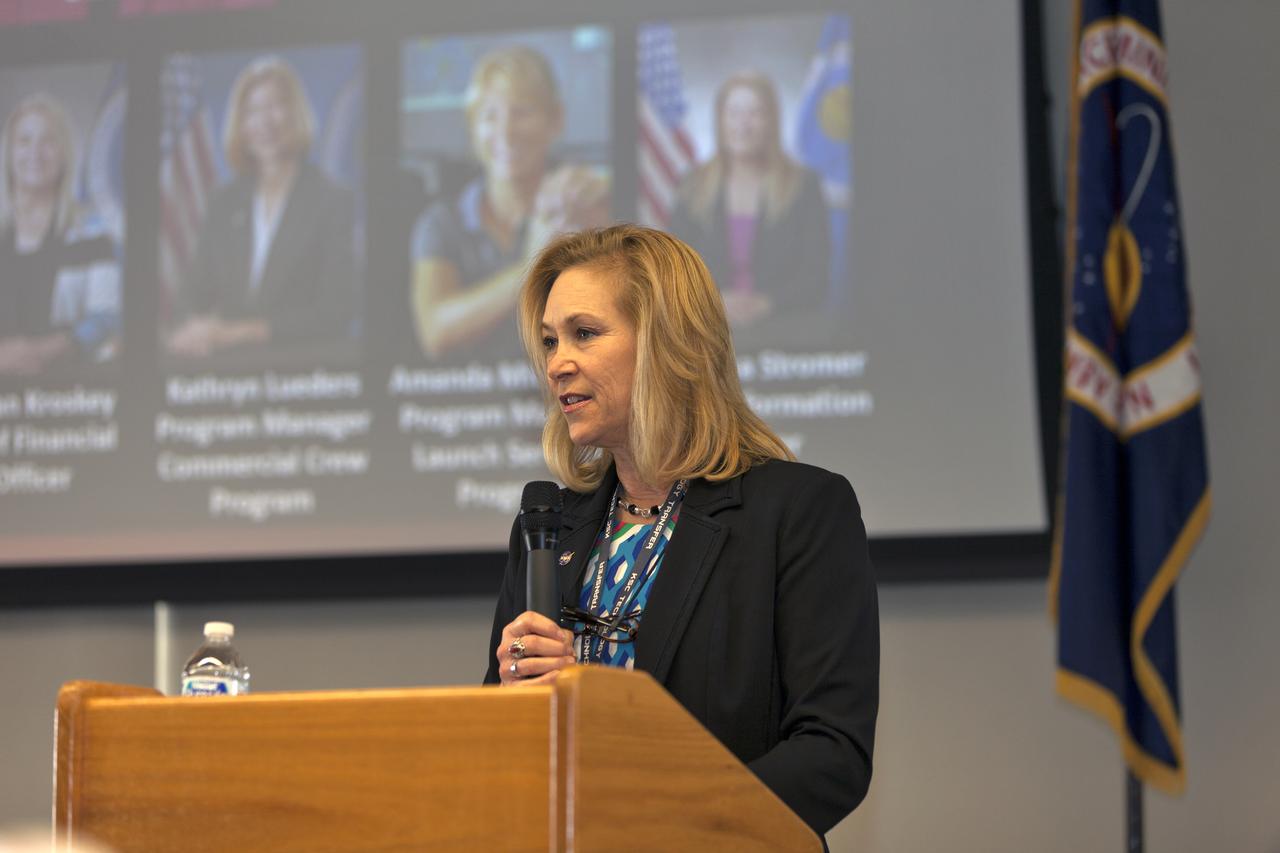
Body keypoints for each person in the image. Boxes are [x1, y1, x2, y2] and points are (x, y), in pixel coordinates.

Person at [483, 225, 878, 838]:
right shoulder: (549, 531)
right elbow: (496, 749)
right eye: (549, 340)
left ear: (669, 344)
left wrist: (667, 825)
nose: (557, 363)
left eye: (584, 334)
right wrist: (516, 698)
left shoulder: (797, 512)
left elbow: (831, 755)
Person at [410, 45, 609, 362]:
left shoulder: (584, 204)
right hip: (468, 407)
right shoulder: (440, 222)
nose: (505, 130)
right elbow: (435, 332)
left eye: (522, 112)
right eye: (490, 115)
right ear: (473, 130)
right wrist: (533, 267)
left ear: (555, 120)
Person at [165, 56, 357, 360]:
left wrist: (238, 333)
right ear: (240, 125)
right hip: (224, 375)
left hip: (304, 373)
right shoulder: (223, 203)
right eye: (252, 111)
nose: (264, 121)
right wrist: (195, 328)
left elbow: (334, 313)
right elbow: (192, 293)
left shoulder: (333, 200)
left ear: (295, 113)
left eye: (275, 106)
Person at [669, 71, 830, 329]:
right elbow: (672, 271)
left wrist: (769, 304)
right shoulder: (693, 185)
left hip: (786, 333)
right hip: (707, 332)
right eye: (733, 113)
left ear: (771, 121)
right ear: (720, 121)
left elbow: (816, 275)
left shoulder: (804, 186)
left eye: (755, 113)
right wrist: (715, 302)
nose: (743, 125)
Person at [0, 93, 120, 375]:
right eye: (24, 141)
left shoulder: (92, 234)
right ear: (9, 153)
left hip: (71, 394)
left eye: (48, 141)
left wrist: (38, 352)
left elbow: (106, 318)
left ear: (64, 153)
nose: (35, 153)